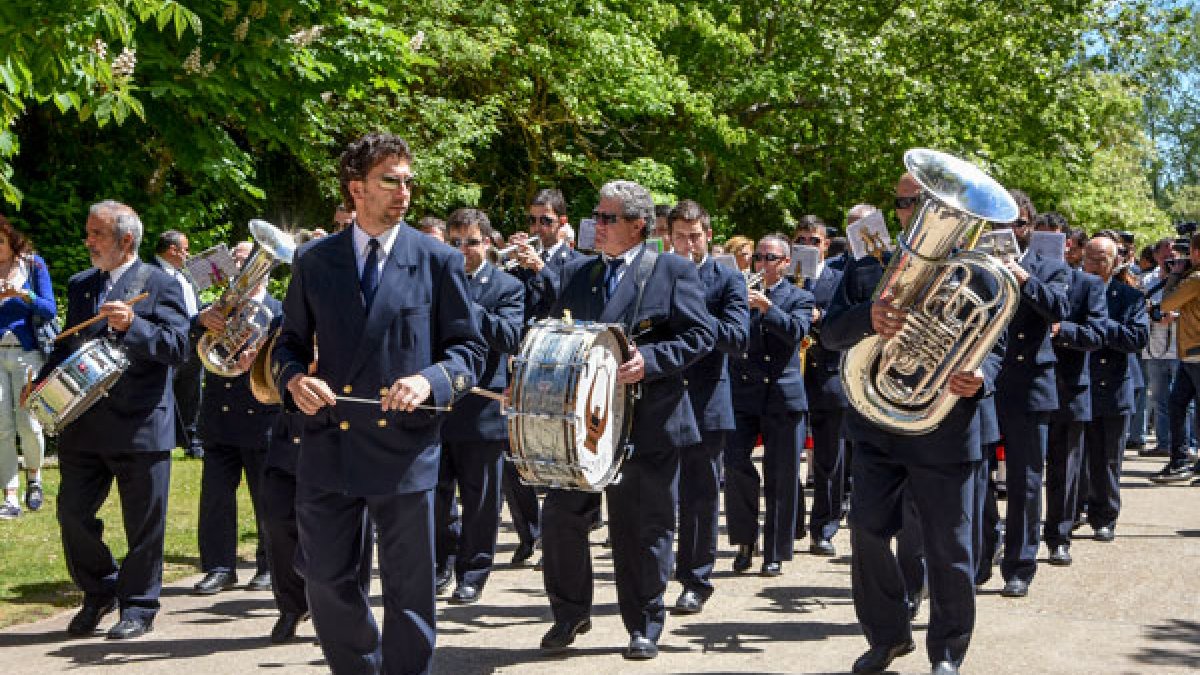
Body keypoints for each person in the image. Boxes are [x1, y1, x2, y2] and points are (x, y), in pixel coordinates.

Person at [272, 132, 486, 674]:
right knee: (324, 578)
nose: (404, 192)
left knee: (410, 592)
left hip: (406, 449)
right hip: (329, 444)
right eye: (390, 181)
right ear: (356, 189)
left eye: (409, 181)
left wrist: (431, 381)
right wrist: (294, 380)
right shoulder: (315, 260)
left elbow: (469, 351)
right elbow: (289, 345)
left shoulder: (437, 259)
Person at [537, 179, 714, 660]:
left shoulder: (672, 270)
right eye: (596, 216)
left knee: (642, 528)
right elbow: (556, 332)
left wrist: (650, 361)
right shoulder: (579, 272)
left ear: (638, 226)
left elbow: (701, 334)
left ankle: (645, 623)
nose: (597, 225)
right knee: (559, 518)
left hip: (649, 421)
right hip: (584, 425)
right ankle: (569, 614)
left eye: (608, 218)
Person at [823, 224, 1002, 675]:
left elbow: (995, 345)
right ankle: (887, 637)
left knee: (949, 549)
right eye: (908, 203)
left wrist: (981, 378)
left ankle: (947, 653)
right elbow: (831, 333)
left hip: (945, 429)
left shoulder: (978, 273)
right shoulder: (867, 271)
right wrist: (869, 317)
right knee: (866, 530)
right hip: (877, 425)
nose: (911, 211)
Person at [42, 200, 190, 639]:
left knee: (144, 523)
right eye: (88, 233)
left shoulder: (162, 285)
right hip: (84, 422)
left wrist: (134, 328)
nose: (88, 241)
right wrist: (43, 381)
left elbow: (180, 349)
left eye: (97, 234)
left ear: (126, 241)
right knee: (72, 514)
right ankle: (100, 588)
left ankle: (139, 607)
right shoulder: (81, 284)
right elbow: (70, 344)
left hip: (142, 423)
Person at [434, 208, 524, 604]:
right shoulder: (435, 282)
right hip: (437, 407)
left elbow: (509, 336)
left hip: (483, 409)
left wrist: (466, 304)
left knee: (481, 500)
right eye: (455, 243)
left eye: (471, 242)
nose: (463, 250)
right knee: (435, 496)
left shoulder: (507, 286)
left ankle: (474, 572)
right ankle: (441, 564)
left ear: (487, 243)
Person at [664, 199, 748, 614]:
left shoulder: (727, 278)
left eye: (695, 236)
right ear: (668, 236)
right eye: (680, 236)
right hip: (660, 399)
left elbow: (738, 338)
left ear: (708, 235)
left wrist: (696, 312)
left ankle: (696, 580)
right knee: (657, 495)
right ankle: (654, 575)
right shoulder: (655, 275)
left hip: (707, 401)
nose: (688, 243)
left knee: (700, 498)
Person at [992, 189, 1070, 599]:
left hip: (1030, 386)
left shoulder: (1048, 266)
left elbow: (1059, 308)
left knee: (1024, 481)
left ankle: (1020, 565)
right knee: (973, 477)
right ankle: (978, 553)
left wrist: (1024, 279)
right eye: (1001, 223)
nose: (1010, 231)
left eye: (1018, 223)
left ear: (1030, 228)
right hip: (983, 384)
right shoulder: (977, 265)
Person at [191, 241, 278, 595]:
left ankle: (270, 565)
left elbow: (287, 363)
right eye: (237, 262)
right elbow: (186, 351)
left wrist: (258, 361)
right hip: (218, 417)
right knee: (214, 499)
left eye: (247, 262)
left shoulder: (279, 312)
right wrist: (198, 321)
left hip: (261, 419)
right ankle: (219, 567)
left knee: (267, 499)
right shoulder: (215, 309)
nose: (239, 268)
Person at [725, 234, 814, 576]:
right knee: (735, 464)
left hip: (782, 393)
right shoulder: (738, 294)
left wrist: (767, 308)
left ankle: (776, 550)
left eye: (771, 258)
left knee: (782, 475)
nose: (762, 264)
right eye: (759, 257)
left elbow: (797, 332)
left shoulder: (800, 297)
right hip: (744, 393)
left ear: (786, 263)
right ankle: (745, 540)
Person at [504, 188, 581, 564]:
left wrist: (541, 268)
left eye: (545, 221)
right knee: (511, 449)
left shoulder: (574, 262)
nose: (538, 227)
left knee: (552, 444)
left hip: (557, 363)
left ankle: (554, 531)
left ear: (562, 222)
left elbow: (571, 303)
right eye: (533, 220)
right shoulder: (517, 262)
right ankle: (527, 530)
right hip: (522, 359)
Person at [1036, 215, 1106, 567]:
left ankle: (1058, 537)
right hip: (1028, 387)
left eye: (1055, 241)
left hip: (1069, 387)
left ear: (1069, 246)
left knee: (1065, 467)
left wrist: (1063, 329)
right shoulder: (1019, 280)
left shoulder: (1088, 285)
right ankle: (1023, 533)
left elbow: (1097, 334)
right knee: (1027, 470)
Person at [1080, 235, 1148, 541]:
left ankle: (1104, 516)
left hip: (1115, 386)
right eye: (1090, 258)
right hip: (1077, 385)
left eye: (1101, 260)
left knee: (1107, 459)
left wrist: (1099, 322)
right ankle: (1073, 510)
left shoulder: (1129, 297)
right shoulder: (1072, 290)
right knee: (1075, 457)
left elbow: (1137, 339)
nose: (1093, 266)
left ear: (1115, 262)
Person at [793, 215, 848, 555]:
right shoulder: (785, 275)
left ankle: (824, 527)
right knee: (787, 457)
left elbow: (847, 319)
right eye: (801, 240)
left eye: (814, 240)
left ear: (826, 244)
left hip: (827, 373)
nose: (808, 246)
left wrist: (820, 316)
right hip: (791, 378)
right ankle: (792, 523)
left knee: (830, 458)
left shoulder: (839, 278)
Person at [0, 217, 55, 519]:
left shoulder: (33, 265)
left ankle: (34, 479)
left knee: (28, 423)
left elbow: (49, 308)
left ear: (11, 240)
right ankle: (9, 495)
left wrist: (23, 294)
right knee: (1, 427)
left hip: (27, 353)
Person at [1150, 231, 1200, 482]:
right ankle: (1181, 460)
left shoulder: (1195, 280)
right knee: (1178, 405)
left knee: (1179, 406)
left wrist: (1176, 274)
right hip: (1189, 354)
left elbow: (1166, 303)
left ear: (1196, 252)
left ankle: (1181, 460)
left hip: (1195, 353)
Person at [151, 230, 205, 459]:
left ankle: (192, 441)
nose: (188, 254)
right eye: (185, 249)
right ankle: (160, 439)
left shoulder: (183, 275)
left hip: (192, 341)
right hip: (168, 340)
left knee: (190, 392)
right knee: (163, 391)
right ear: (172, 250)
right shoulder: (151, 273)